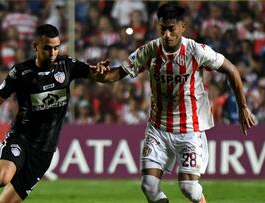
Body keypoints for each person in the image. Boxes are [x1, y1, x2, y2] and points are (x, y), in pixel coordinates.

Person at [95, 3, 255, 203]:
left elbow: (231, 70)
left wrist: (243, 107)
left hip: (189, 130)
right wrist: (97, 74)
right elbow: (116, 74)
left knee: (189, 189)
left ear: (182, 27)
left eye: (172, 29)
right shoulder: (149, 50)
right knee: (149, 186)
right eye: (163, 29)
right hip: (158, 129)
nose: (167, 35)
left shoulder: (196, 51)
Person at [0, 24, 108, 203]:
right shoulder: (21, 72)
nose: (53, 52)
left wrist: (100, 70)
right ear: (35, 47)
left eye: (56, 48)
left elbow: (96, 74)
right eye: (47, 48)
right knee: (0, 178)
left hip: (44, 150)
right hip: (21, 138)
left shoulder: (67, 65)